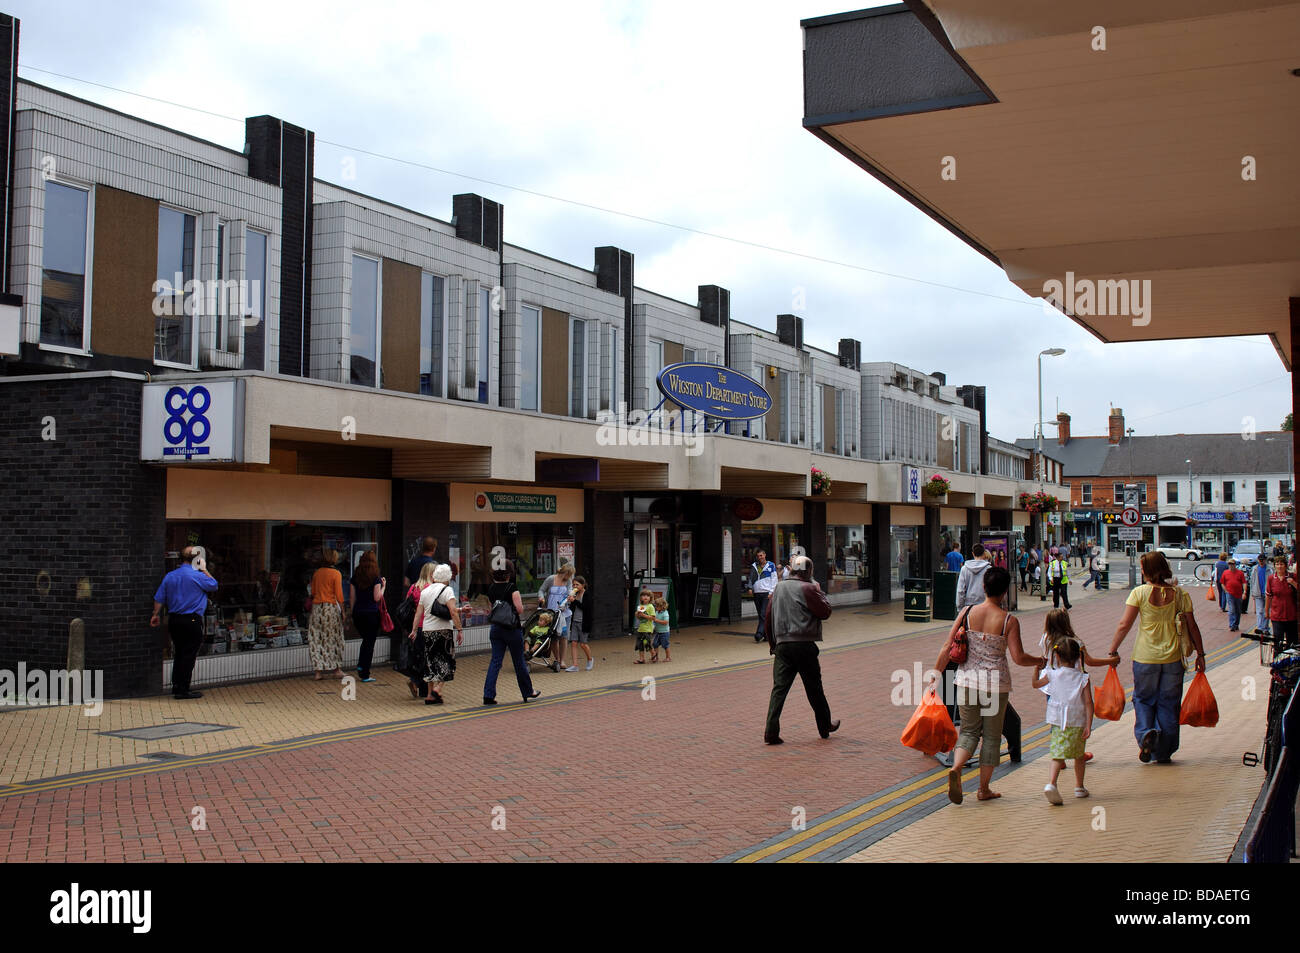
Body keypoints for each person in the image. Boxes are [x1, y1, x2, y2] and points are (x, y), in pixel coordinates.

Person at [932, 566, 1040, 802]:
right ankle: (983, 789)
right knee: (991, 737)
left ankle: (956, 768)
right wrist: (1040, 660)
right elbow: (1019, 657)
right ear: (1004, 592)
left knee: (969, 731)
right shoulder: (1009, 621)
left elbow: (946, 646)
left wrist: (936, 674)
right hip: (995, 685)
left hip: (967, 682)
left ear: (983, 587)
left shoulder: (967, 612)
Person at [1107, 551, 1206, 764]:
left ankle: (1145, 735)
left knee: (1143, 700)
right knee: (1168, 703)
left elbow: (1124, 625)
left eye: (1143, 569)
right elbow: (1193, 626)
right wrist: (1200, 654)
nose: (1142, 572)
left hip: (1145, 657)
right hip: (1172, 659)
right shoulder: (1180, 595)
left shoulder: (1139, 593)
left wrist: (1113, 650)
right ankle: (1163, 751)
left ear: (1149, 571)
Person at [763, 555, 837, 744]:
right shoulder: (809, 588)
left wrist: (773, 644)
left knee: (778, 690)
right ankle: (824, 726)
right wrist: (818, 590)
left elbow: (768, 616)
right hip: (803, 644)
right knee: (814, 688)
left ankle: (771, 731)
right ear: (808, 571)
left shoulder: (779, 587)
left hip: (782, 645)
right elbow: (825, 612)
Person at [1033, 633, 1094, 804]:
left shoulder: (1052, 675)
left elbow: (1035, 685)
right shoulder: (1083, 678)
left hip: (1058, 721)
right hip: (1078, 721)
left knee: (1057, 754)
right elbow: (1089, 702)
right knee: (1079, 756)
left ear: (1057, 656)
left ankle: (1052, 783)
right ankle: (1079, 787)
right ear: (1077, 657)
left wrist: (1036, 670)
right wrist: (1089, 724)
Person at [150, 546, 218, 699]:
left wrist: (155, 614)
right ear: (197, 560)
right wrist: (205, 569)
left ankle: (176, 685)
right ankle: (183, 689)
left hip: (174, 620)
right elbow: (214, 585)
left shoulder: (170, 576)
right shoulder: (198, 576)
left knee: (179, 653)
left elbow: (159, 598)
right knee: (189, 655)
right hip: (192, 620)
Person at [482, 562, 540, 705]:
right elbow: (519, 609)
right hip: (512, 628)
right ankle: (528, 691)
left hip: (496, 629)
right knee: (519, 661)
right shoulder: (512, 588)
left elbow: (491, 609)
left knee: (495, 661)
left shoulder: (491, 588)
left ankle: (488, 695)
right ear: (509, 573)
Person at [413, 564, 462, 704]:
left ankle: (430, 695)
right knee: (447, 661)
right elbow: (453, 612)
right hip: (443, 631)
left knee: (431, 662)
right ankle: (437, 689)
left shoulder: (425, 591)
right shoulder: (448, 591)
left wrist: (414, 630)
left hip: (427, 630)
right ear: (448, 577)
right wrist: (459, 629)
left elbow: (418, 613)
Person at [308, 548, 346, 681]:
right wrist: (344, 611)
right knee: (334, 637)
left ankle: (318, 672)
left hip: (317, 608)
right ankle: (336, 669)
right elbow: (339, 595)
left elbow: (312, 591)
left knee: (316, 638)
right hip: (330, 607)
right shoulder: (336, 573)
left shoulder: (317, 573)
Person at [349, 550, 386, 682]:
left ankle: (361, 666)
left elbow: (352, 597)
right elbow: (377, 598)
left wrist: (352, 613)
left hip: (358, 613)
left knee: (366, 640)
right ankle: (364, 671)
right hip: (371, 614)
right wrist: (383, 587)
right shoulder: (375, 577)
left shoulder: (355, 577)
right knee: (369, 643)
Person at [402, 562, 437, 699]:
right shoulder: (431, 589)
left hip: (415, 628)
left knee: (419, 657)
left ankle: (416, 682)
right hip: (428, 626)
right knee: (428, 658)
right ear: (431, 574)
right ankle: (419, 685)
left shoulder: (413, 588)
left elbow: (407, 606)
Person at [539, 564, 575, 672]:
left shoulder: (568, 581)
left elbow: (570, 591)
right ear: (565, 573)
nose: (569, 578)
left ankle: (562, 660)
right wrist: (541, 597)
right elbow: (541, 590)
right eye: (569, 575)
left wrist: (571, 596)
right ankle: (557, 660)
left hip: (565, 613)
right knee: (554, 637)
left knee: (564, 636)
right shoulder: (551, 579)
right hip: (552, 614)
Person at [1265, 555, 1298, 650]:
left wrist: (1293, 583)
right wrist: (1266, 611)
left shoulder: (1293, 577)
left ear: (1285, 566)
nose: (1279, 566)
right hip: (1277, 616)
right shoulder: (1271, 579)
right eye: (1277, 564)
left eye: (1281, 564)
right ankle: (1277, 662)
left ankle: (1290, 663)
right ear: (1274, 566)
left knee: (1292, 643)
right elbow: (1268, 596)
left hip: (1291, 615)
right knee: (1278, 642)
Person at [565, 576, 593, 672]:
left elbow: (585, 607)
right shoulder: (575, 594)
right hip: (575, 621)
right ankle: (575, 665)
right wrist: (569, 601)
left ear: (583, 585)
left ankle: (590, 659)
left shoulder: (587, 594)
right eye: (573, 585)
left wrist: (575, 601)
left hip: (583, 622)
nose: (575, 586)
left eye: (577, 584)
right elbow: (573, 607)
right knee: (573, 643)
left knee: (583, 644)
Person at [750, 550, 779, 643]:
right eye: (758, 556)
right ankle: (767, 635)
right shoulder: (754, 566)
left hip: (767, 593)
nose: (760, 557)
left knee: (763, 614)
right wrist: (750, 588)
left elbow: (774, 579)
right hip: (757, 593)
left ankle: (759, 634)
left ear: (765, 555)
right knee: (761, 615)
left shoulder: (771, 565)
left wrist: (771, 592)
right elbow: (751, 578)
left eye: (761, 555)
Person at [955, 543, 991, 610]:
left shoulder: (964, 569)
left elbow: (960, 590)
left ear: (973, 553)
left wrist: (960, 607)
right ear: (984, 553)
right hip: (985, 607)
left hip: (969, 607)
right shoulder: (989, 569)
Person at [1220, 558, 1246, 632]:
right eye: (1229, 564)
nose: (1231, 566)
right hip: (1229, 593)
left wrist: (1244, 592)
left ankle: (1236, 624)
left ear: (1235, 565)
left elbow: (1244, 582)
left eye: (1232, 564)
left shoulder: (1240, 573)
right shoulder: (1225, 572)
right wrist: (1226, 590)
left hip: (1238, 594)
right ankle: (1232, 625)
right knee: (1232, 610)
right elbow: (1222, 582)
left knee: (1238, 610)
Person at [1252, 554, 1272, 637]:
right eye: (1260, 560)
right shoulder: (1255, 569)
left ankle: (1265, 628)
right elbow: (1252, 581)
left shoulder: (1270, 569)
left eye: (1263, 560)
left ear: (1265, 560)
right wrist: (1252, 593)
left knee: (1266, 611)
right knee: (1260, 611)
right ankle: (1260, 627)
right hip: (1258, 592)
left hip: (1267, 593)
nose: (1261, 561)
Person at [633, 590, 655, 663]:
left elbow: (653, 618)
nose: (645, 597)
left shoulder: (650, 606)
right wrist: (637, 615)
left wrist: (644, 615)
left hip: (647, 629)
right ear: (641, 598)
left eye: (647, 596)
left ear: (650, 598)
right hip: (640, 629)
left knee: (647, 643)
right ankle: (642, 659)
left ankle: (653, 654)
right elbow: (640, 618)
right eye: (643, 595)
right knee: (639, 644)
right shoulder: (640, 606)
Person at [651, 594, 672, 662]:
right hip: (658, 632)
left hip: (665, 632)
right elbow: (654, 621)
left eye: (657, 606)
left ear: (662, 606)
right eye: (655, 606)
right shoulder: (656, 612)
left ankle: (668, 657)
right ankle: (656, 657)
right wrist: (652, 626)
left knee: (665, 645)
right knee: (655, 644)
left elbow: (665, 622)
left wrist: (656, 620)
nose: (655, 607)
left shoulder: (665, 613)